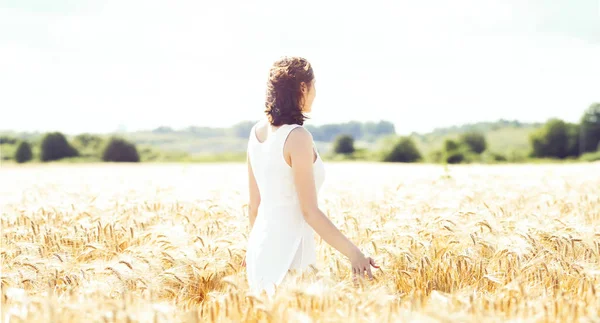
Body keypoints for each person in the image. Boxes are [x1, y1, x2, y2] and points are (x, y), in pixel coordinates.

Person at [243, 56, 379, 296]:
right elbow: (309, 211)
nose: (316, 93)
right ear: (303, 87)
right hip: (290, 250)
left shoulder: (256, 134)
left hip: (259, 249)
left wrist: (252, 248)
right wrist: (354, 253)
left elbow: (254, 207)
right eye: (314, 86)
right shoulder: (297, 137)